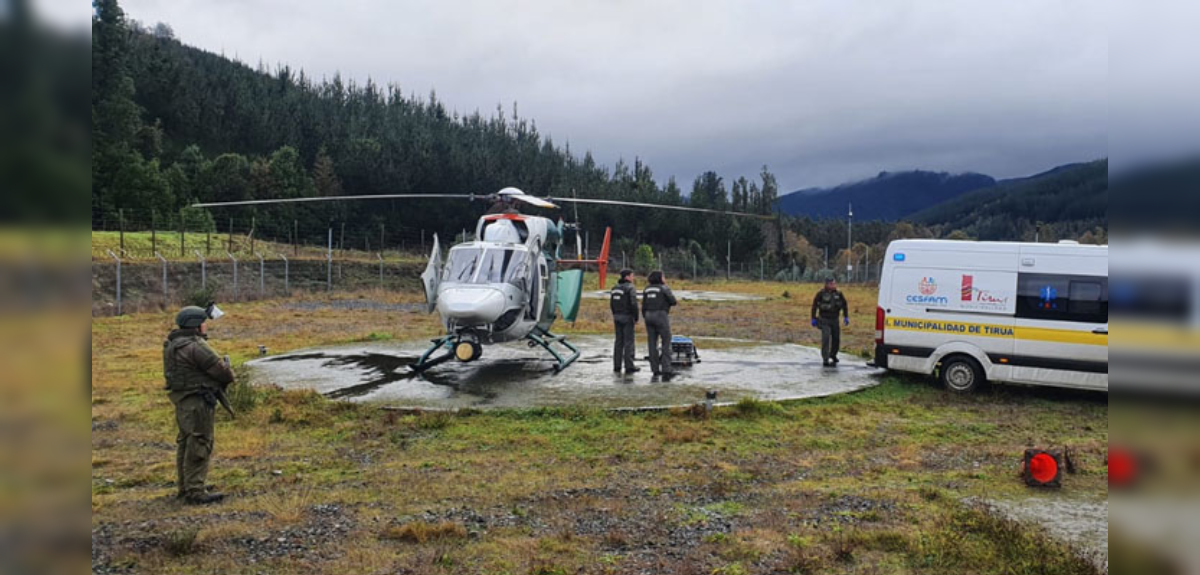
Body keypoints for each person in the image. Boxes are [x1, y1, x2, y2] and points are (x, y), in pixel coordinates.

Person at [163, 304, 235, 505]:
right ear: (196, 325)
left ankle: (187, 486)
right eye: (203, 323)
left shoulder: (173, 344)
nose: (205, 326)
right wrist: (228, 374)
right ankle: (195, 491)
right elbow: (221, 371)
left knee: (186, 442)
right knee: (200, 442)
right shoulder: (196, 346)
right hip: (198, 400)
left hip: (183, 399)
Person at [642, 270, 678, 380]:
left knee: (652, 343)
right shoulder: (664, 288)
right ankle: (666, 369)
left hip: (648, 316)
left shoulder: (647, 289)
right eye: (664, 276)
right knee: (666, 342)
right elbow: (673, 301)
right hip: (661, 315)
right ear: (660, 278)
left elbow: (643, 305)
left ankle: (655, 369)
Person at [811, 278, 850, 366]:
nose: (834, 285)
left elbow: (844, 304)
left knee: (836, 339)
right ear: (827, 284)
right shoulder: (821, 294)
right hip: (824, 320)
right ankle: (825, 358)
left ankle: (833, 355)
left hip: (835, 320)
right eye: (832, 284)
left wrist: (846, 316)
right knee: (826, 338)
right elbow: (814, 305)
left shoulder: (839, 294)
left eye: (834, 283)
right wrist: (813, 318)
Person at [610, 269, 641, 374]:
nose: (633, 278)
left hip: (617, 316)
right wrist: (636, 317)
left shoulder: (614, 288)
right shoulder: (630, 288)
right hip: (627, 317)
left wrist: (615, 314)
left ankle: (617, 365)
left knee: (618, 342)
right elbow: (633, 304)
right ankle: (629, 366)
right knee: (629, 342)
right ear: (627, 277)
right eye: (632, 276)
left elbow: (612, 303)